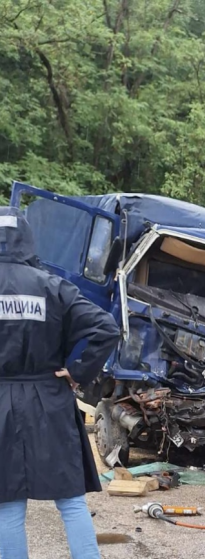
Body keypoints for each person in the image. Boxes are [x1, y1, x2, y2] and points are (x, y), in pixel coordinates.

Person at [0, 207, 119, 559]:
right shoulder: (53, 286)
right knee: (70, 502)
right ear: (26, 239)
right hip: (49, 399)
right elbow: (106, 328)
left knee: (6, 505)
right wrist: (77, 371)